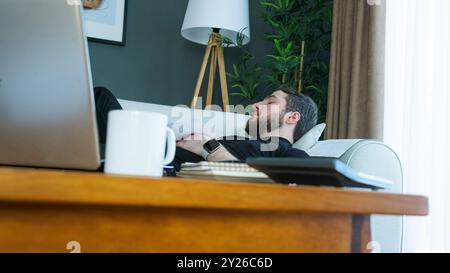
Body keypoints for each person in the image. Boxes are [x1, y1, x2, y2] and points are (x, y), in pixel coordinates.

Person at [93, 86, 318, 171]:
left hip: (156, 168)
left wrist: (206, 145)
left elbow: (242, 180)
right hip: (150, 154)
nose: (255, 106)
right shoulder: (237, 139)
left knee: (100, 97)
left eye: (269, 102)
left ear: (292, 117)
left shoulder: (285, 152)